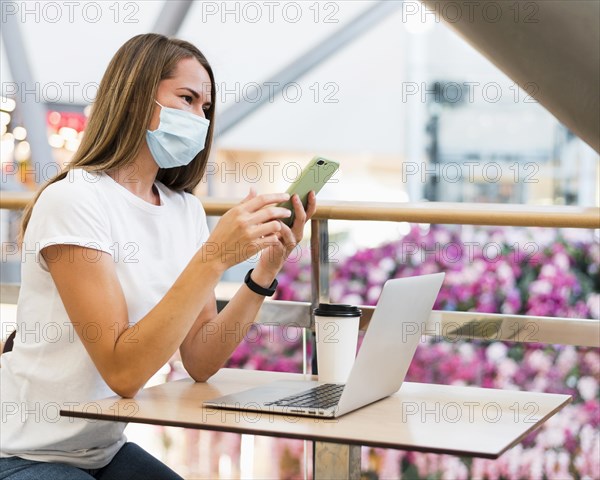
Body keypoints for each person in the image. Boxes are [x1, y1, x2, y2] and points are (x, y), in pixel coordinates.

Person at [0, 33, 316, 479]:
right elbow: (123, 372)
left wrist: (265, 270)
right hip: (22, 452)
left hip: (101, 449)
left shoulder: (183, 209)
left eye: (205, 108)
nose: (199, 119)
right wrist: (213, 256)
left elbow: (201, 359)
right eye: (186, 99)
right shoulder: (75, 201)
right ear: (133, 97)